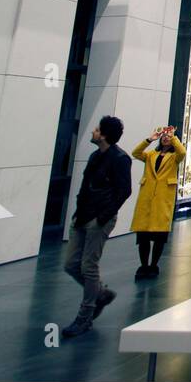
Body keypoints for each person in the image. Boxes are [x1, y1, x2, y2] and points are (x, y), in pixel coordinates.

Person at [63, 115, 131, 338]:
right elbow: (86, 187)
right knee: (72, 264)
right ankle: (100, 294)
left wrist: (103, 217)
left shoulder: (120, 159)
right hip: (82, 217)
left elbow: (124, 191)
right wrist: (78, 213)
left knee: (88, 266)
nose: (93, 131)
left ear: (103, 135)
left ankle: (85, 317)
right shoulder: (95, 157)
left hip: (98, 219)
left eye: (96, 129)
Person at [128, 126, 185, 280]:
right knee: (143, 236)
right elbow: (135, 153)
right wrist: (149, 139)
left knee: (159, 237)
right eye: (164, 136)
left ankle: (154, 265)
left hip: (163, 199)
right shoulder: (151, 155)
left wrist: (173, 137)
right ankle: (144, 265)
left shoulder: (174, 157)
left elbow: (182, 152)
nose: (165, 138)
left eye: (169, 136)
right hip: (147, 198)